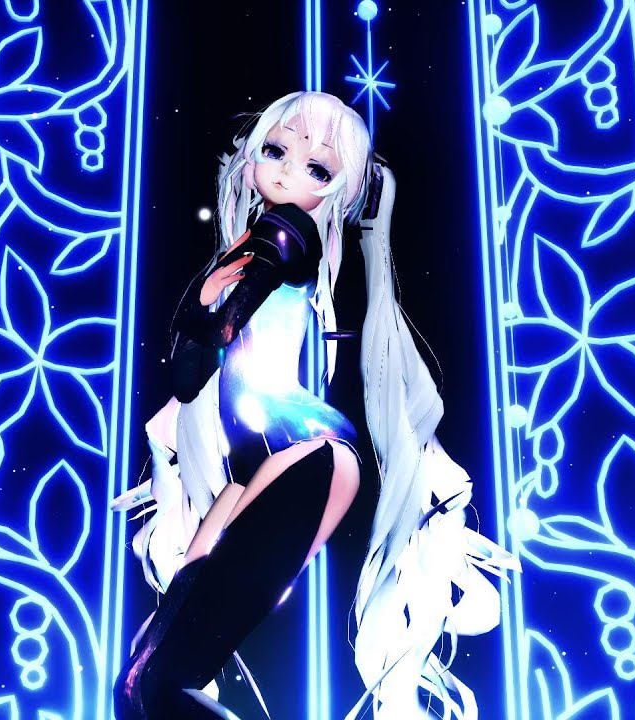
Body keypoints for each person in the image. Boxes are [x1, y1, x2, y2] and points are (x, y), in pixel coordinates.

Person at [112, 91, 519, 719]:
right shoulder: (249, 244)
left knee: (162, 682)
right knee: (141, 683)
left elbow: (215, 335)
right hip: (259, 467)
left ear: (341, 189)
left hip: (301, 455)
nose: (286, 171)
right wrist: (205, 308)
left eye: (317, 168)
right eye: (276, 150)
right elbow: (192, 373)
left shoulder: (287, 233)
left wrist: (204, 309)